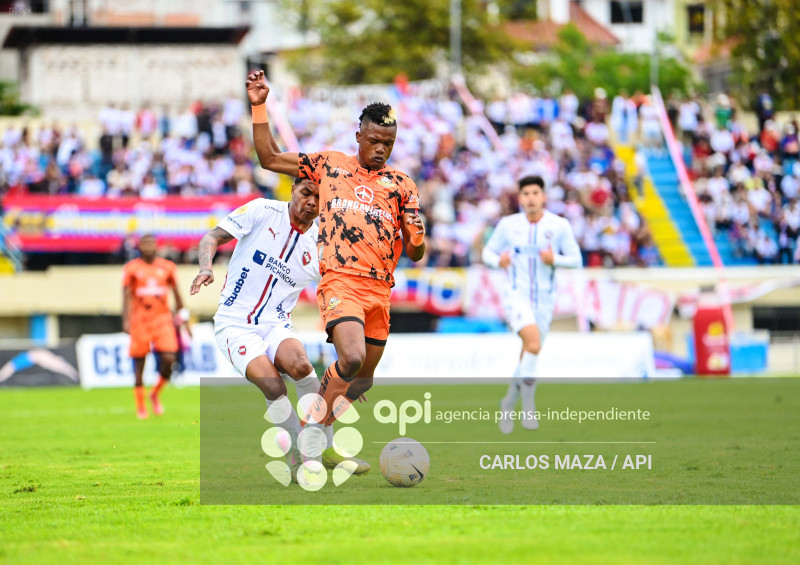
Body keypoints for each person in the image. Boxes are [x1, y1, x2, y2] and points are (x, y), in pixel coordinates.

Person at [244, 70, 426, 429]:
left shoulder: (402, 185)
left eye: (388, 144)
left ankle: (319, 429)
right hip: (341, 280)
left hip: (380, 289)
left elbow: (416, 252)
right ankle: (311, 432)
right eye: (374, 141)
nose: (380, 149)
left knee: (362, 381)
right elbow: (269, 158)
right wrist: (260, 106)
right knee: (352, 357)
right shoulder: (329, 166)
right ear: (359, 136)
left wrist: (417, 237)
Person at [190, 178, 369, 479]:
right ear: (293, 190)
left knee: (302, 366)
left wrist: (348, 364)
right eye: (306, 193)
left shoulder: (321, 248)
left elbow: (338, 304)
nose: (311, 202)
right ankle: (298, 455)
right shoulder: (262, 210)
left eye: (318, 198)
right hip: (235, 323)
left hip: (276, 323)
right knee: (273, 386)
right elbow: (211, 237)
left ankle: (325, 448)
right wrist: (206, 268)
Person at [482, 175, 582, 433]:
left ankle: (508, 402)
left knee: (529, 351)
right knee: (534, 344)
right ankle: (528, 406)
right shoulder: (508, 225)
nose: (530, 198)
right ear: (520, 198)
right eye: (526, 194)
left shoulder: (559, 226)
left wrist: (555, 259)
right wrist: (498, 261)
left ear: (544, 196)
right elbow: (487, 252)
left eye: (535, 193)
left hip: (545, 300)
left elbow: (576, 259)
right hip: (516, 296)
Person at [122, 234, 188, 419]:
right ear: (140, 247)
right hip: (140, 320)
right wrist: (125, 319)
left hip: (162, 319)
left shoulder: (167, 267)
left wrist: (184, 318)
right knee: (139, 361)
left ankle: (155, 393)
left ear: (157, 246)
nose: (149, 247)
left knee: (169, 357)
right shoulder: (131, 268)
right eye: (145, 244)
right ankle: (140, 405)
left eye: (152, 243)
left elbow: (177, 294)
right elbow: (126, 295)